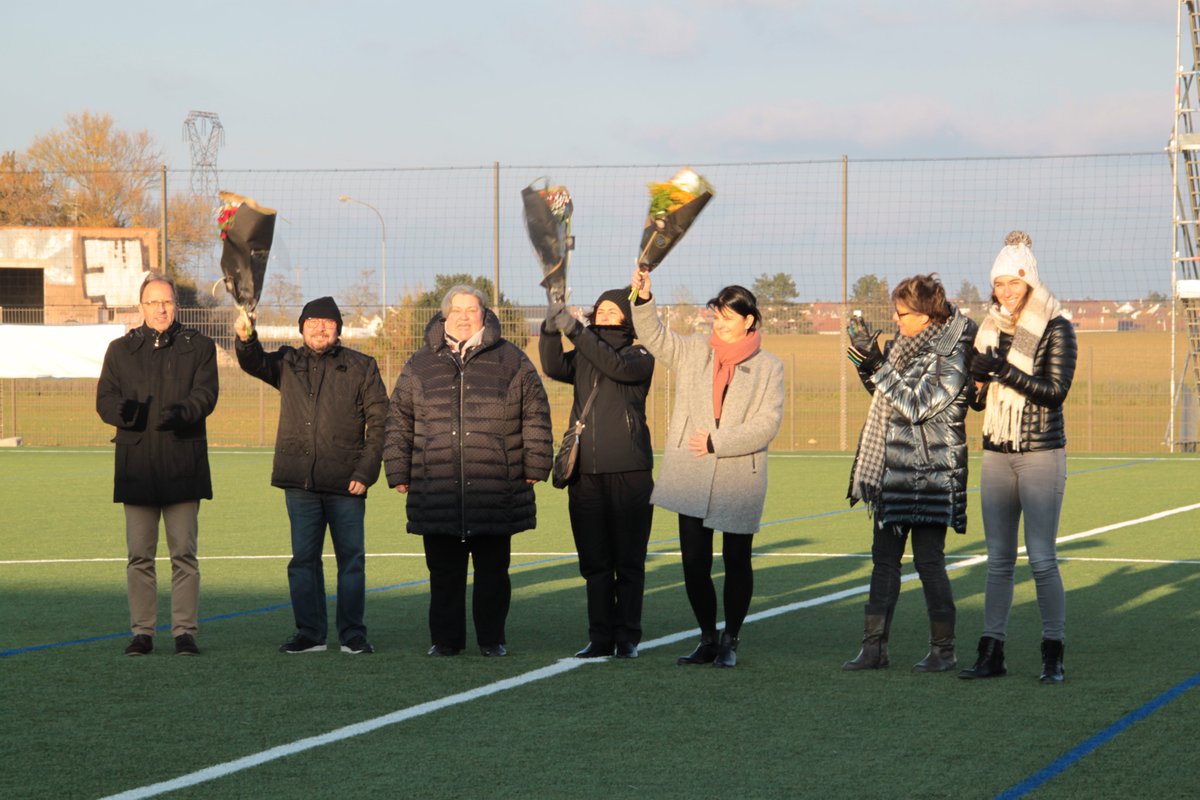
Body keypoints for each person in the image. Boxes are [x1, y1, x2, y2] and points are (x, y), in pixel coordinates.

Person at [384, 285, 552, 657]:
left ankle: (492, 640)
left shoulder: (512, 360)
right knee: (444, 573)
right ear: (445, 316)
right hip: (437, 486)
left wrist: (537, 463)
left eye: (471, 309)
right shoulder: (420, 364)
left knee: (493, 573)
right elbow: (399, 420)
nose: (463, 317)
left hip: (495, 487)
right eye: (456, 310)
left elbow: (536, 414)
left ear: (484, 314)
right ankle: (446, 641)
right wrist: (397, 469)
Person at [629, 269, 784, 668]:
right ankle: (707, 638)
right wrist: (643, 299)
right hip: (692, 472)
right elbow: (654, 336)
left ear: (748, 320)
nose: (720, 323)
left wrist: (719, 441)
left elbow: (767, 423)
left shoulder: (770, 367)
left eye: (728, 317)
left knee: (736, 560)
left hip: (739, 476)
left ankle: (731, 639)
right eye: (717, 315)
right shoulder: (695, 351)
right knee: (694, 563)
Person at [235, 296, 388, 655]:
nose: (320, 328)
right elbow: (253, 361)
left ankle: (353, 634)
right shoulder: (287, 362)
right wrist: (246, 337)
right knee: (303, 561)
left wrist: (366, 471)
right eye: (313, 322)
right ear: (302, 328)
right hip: (300, 483)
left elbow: (382, 423)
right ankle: (310, 634)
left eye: (328, 323)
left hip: (348, 483)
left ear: (338, 329)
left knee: (351, 561)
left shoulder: (362, 367)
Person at [841, 274, 976, 673]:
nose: (896, 320)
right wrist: (866, 362)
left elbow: (916, 405)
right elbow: (887, 398)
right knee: (883, 560)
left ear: (927, 315)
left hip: (933, 473)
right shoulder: (901, 346)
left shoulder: (952, 351)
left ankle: (943, 652)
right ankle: (873, 649)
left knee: (929, 562)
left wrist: (879, 366)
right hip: (893, 468)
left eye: (902, 314)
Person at [959, 232, 1077, 684]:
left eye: (1014, 283)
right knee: (998, 559)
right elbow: (978, 402)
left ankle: (1053, 653)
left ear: (1030, 281)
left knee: (1042, 558)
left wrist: (1003, 371)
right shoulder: (989, 328)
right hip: (996, 451)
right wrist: (976, 380)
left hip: (1041, 451)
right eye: (999, 284)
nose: (1005, 292)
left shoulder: (1056, 326)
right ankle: (991, 652)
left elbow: (1055, 391)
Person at [96, 274, 218, 656]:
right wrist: (123, 411)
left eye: (166, 302)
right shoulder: (120, 350)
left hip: (183, 464)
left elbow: (207, 395)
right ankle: (142, 632)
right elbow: (104, 399)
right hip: (137, 467)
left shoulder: (199, 347)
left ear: (176, 305)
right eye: (153, 302)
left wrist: (184, 411)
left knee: (184, 555)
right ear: (141, 307)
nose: (160, 309)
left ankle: (184, 633)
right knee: (139, 556)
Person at [540, 288, 655, 659]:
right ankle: (600, 637)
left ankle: (628, 637)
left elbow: (615, 366)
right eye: (600, 309)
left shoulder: (641, 354)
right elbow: (553, 365)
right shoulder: (585, 352)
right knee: (595, 563)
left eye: (612, 310)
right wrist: (551, 323)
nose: (604, 314)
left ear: (628, 318)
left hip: (630, 473)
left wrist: (575, 329)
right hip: (585, 474)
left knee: (629, 562)